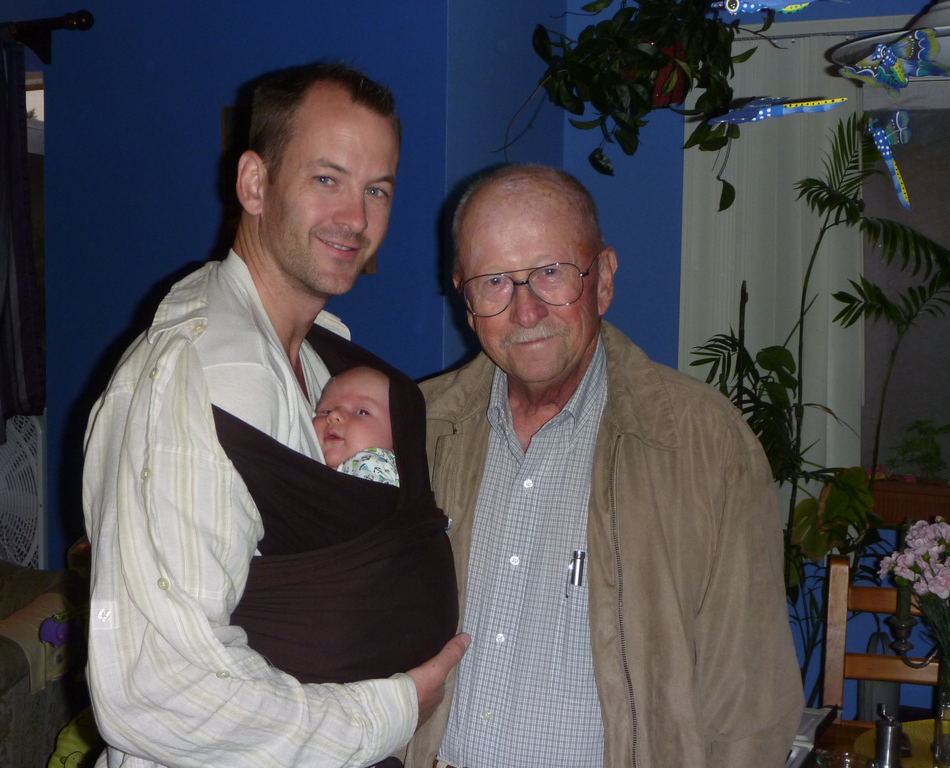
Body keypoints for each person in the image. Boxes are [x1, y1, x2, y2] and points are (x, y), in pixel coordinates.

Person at [83, 61, 468, 768]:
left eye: (377, 189)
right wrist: (390, 710)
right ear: (255, 184)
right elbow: (157, 687)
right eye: (326, 178)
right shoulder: (198, 378)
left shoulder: (326, 361)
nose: (356, 219)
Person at [406, 164, 803, 768]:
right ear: (465, 298)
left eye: (551, 272)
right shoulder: (413, 432)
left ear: (604, 279)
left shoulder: (705, 444)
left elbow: (749, 699)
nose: (526, 311)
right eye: (495, 281)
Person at [314, 365, 400, 486]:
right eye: (327, 411)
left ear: (396, 436)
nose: (334, 415)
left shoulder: (369, 462)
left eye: (362, 412)